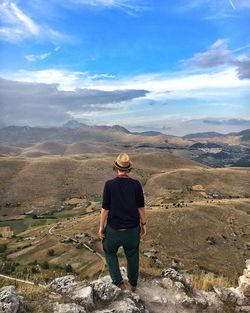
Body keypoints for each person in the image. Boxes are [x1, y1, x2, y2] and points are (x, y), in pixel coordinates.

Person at [98, 153, 147, 292]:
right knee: (132, 255)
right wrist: (144, 225)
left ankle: (118, 282)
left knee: (109, 250)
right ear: (128, 169)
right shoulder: (136, 184)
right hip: (132, 230)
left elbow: (105, 210)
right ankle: (133, 284)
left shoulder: (109, 185)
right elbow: (141, 208)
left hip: (114, 230)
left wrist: (101, 227)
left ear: (115, 168)